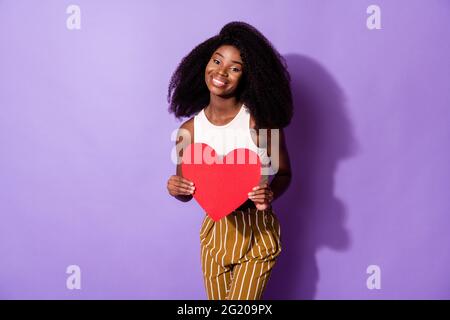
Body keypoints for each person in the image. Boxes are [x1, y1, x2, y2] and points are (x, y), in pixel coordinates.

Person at [166, 21, 292, 300]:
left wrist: (270, 193)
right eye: (217, 61)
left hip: (256, 232)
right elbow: (187, 191)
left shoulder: (261, 123)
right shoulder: (188, 131)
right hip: (214, 233)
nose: (221, 72)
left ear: (248, 77)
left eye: (235, 67)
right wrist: (175, 188)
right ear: (204, 64)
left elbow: (284, 173)